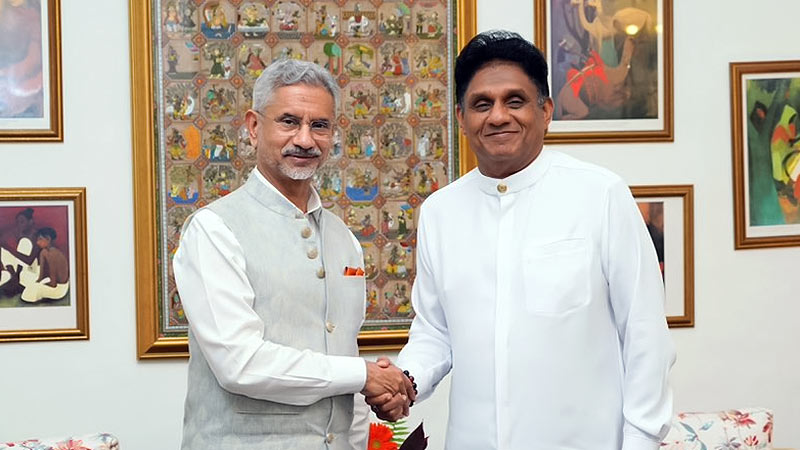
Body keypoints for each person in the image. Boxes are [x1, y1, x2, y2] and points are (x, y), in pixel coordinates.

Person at [367, 30, 676, 449]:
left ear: (546, 111)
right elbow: (435, 331)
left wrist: (641, 442)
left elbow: (646, 337)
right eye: (481, 104)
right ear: (460, 117)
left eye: (514, 101)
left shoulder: (600, 194)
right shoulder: (442, 211)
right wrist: (405, 381)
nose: (497, 116)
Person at [173, 59, 414, 450]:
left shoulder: (344, 240)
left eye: (319, 125)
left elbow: (345, 362)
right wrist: (363, 375)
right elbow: (240, 364)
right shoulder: (214, 229)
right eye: (288, 121)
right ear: (254, 127)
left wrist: (370, 401)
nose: (305, 139)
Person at [20, 227, 69, 303]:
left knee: (32, 290)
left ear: (48, 239)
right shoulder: (43, 252)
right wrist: (38, 281)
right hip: (50, 280)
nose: (37, 242)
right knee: (25, 276)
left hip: (59, 288)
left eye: (40, 239)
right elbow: (41, 276)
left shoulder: (55, 255)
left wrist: (39, 285)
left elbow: (53, 283)